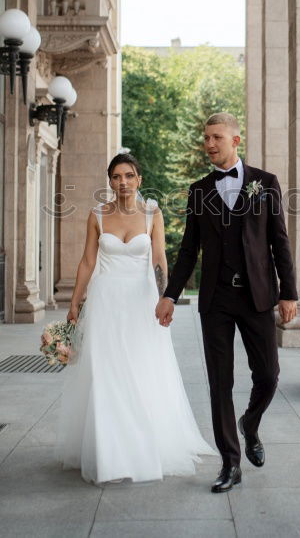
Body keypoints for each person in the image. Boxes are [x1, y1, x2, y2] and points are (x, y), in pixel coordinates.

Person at [156, 112, 298, 493]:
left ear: (236, 140)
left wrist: (288, 292)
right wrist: (170, 294)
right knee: (220, 382)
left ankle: (250, 423)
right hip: (216, 299)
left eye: (216, 137)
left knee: (268, 375)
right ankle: (230, 463)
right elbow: (188, 250)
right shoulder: (199, 190)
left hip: (257, 296)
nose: (209, 144)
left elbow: (279, 241)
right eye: (206, 137)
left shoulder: (265, 184)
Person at [55, 153, 215, 484]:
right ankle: (109, 452)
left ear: (139, 179)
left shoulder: (151, 213)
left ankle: (146, 443)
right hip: (105, 302)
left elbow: (159, 259)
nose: (123, 182)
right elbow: (87, 262)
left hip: (142, 302)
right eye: (116, 176)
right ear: (110, 181)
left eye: (129, 175)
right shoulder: (97, 215)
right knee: (107, 373)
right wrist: (74, 302)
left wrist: (164, 297)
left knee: (142, 369)